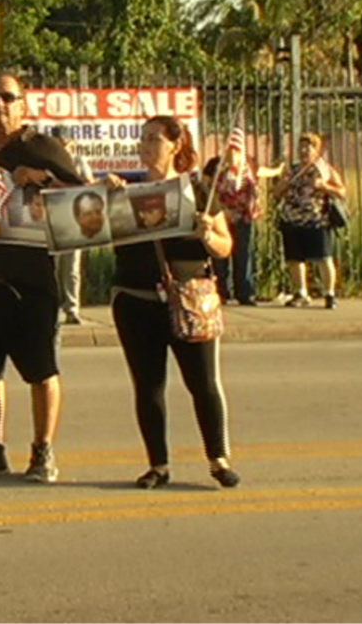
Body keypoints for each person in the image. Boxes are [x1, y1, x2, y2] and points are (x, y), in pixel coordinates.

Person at [0, 73, 84, 485]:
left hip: (33, 274)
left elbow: (82, 201)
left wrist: (41, 178)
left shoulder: (44, 147)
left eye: (7, 97)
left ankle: (42, 450)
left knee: (41, 368)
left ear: (22, 104)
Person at [105, 115, 240, 490]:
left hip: (189, 298)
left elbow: (225, 246)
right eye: (143, 139)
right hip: (136, 300)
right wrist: (108, 196)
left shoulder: (197, 190)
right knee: (148, 385)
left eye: (154, 139)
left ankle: (218, 459)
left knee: (203, 383)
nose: (146, 146)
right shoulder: (127, 190)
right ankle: (158, 465)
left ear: (175, 145)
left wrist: (207, 234)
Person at [272, 132, 347, 309]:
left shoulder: (324, 170)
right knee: (295, 259)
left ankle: (329, 294)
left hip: (316, 220)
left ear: (316, 150)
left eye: (308, 147)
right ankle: (301, 293)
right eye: (301, 147)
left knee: (323, 258)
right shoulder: (293, 170)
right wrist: (284, 183)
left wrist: (324, 186)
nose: (304, 151)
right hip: (292, 219)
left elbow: (342, 192)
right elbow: (276, 193)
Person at [51, 126, 95, 325]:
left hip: (75, 220)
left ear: (72, 144)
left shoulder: (78, 161)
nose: (62, 148)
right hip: (53, 218)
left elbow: (89, 184)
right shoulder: (48, 162)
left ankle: (72, 308)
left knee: (71, 268)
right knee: (52, 267)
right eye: (58, 144)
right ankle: (52, 307)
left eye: (65, 144)